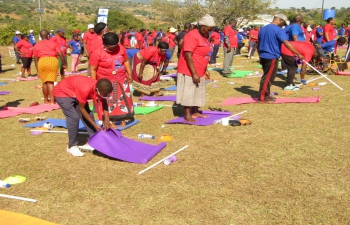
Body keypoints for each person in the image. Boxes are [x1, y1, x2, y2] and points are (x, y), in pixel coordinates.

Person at [54, 76, 113, 157]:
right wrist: (94, 125)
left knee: (89, 115)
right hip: (62, 92)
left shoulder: (101, 88)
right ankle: (72, 146)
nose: (106, 95)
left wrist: (107, 120)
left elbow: (104, 101)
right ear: (97, 90)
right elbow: (81, 109)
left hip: (75, 91)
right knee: (74, 117)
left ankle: (94, 142)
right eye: (104, 94)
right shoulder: (86, 89)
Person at [176, 14, 215, 122]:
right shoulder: (192, 35)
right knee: (189, 90)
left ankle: (196, 111)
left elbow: (205, 53)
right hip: (189, 69)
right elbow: (188, 55)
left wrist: (205, 69)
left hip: (200, 68)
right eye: (208, 29)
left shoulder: (205, 36)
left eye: (211, 30)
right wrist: (194, 73)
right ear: (202, 26)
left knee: (198, 91)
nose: (209, 32)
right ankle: (187, 115)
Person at [257, 14, 304, 103]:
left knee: (267, 76)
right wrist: (298, 53)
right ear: (280, 20)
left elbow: (258, 44)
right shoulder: (278, 30)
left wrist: (260, 55)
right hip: (271, 56)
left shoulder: (263, 29)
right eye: (283, 23)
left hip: (263, 55)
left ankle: (266, 94)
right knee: (268, 78)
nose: (283, 25)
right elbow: (286, 43)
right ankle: (263, 97)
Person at [90, 32, 134, 127]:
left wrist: (129, 73)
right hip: (105, 81)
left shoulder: (121, 48)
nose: (114, 48)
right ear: (104, 44)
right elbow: (93, 69)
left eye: (115, 46)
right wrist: (94, 83)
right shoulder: (97, 53)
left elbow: (126, 61)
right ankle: (110, 121)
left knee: (123, 98)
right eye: (111, 46)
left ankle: (124, 118)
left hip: (121, 78)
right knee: (109, 101)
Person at [33, 30, 66, 105]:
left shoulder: (36, 45)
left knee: (44, 82)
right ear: (48, 35)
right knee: (50, 82)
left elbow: (35, 59)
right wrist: (64, 64)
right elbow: (60, 54)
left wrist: (38, 70)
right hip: (52, 61)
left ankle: (46, 99)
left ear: (40, 36)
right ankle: (51, 100)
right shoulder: (54, 43)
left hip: (42, 62)